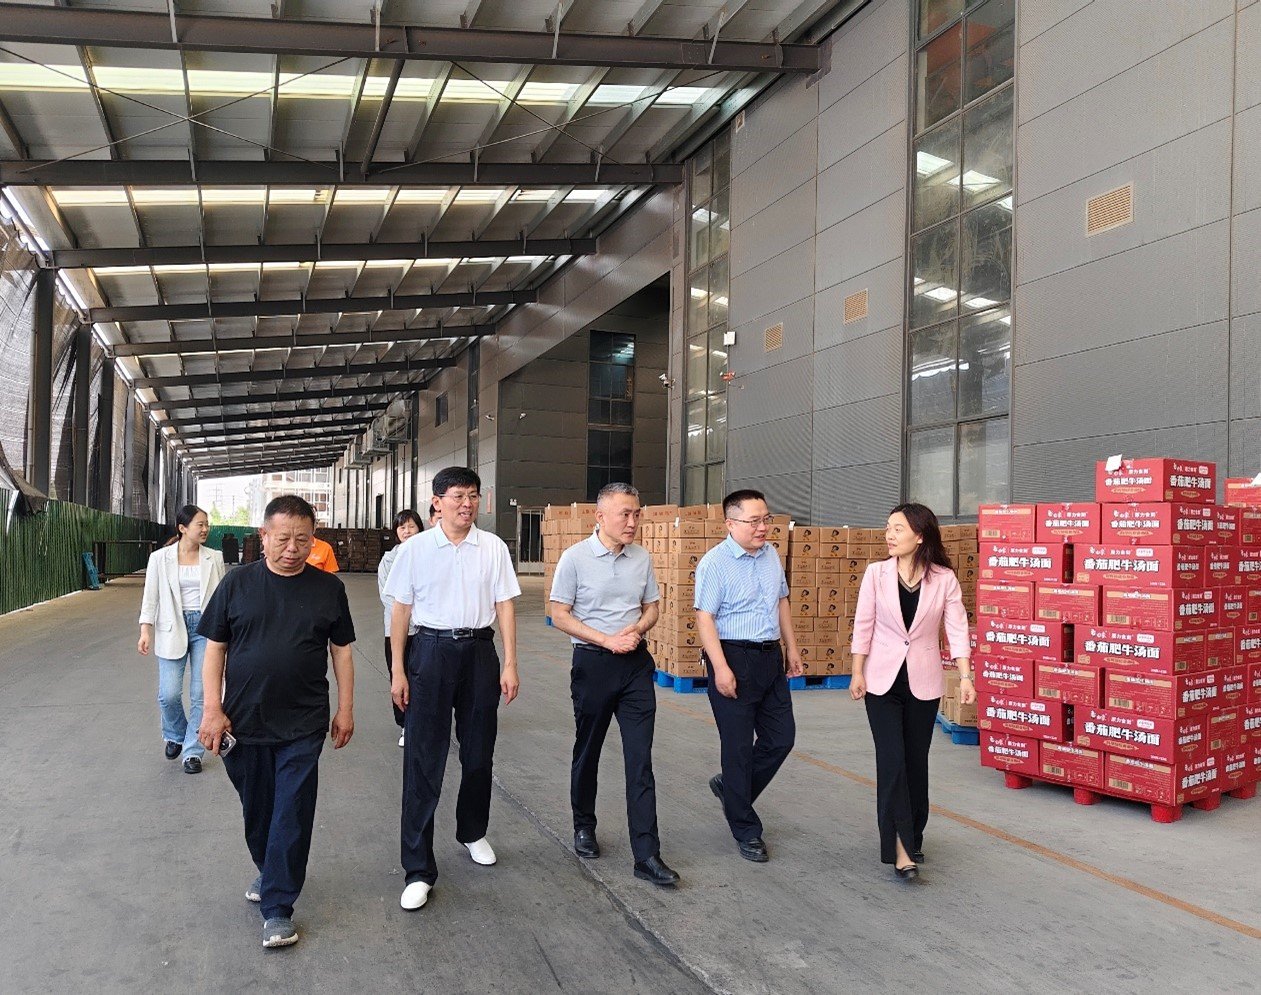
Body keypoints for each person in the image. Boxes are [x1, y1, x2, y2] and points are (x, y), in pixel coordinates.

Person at [197, 495, 356, 949]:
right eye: (283, 538)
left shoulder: (328, 589)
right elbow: (215, 649)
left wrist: (346, 708)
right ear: (263, 536)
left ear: (314, 540)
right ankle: (269, 870)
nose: (292, 549)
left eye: (303, 540)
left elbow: (342, 652)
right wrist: (212, 709)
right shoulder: (237, 584)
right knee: (258, 808)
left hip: (304, 722)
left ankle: (278, 908)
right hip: (243, 720)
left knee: (293, 809)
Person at [383, 466, 520, 912]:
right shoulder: (415, 549)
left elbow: (504, 605)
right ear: (437, 502)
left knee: (479, 752)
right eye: (458, 495)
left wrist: (510, 663)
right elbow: (401, 611)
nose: (467, 503)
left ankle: (472, 831)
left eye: (474, 495)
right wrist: (398, 670)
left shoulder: (493, 547)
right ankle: (418, 869)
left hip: (479, 652)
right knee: (424, 759)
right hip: (431, 652)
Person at [549, 482, 679, 887]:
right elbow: (559, 613)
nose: (633, 522)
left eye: (637, 513)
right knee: (588, 749)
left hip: (635, 665)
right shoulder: (575, 558)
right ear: (600, 516)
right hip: (594, 664)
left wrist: (637, 628)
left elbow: (652, 607)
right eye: (625, 514)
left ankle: (647, 854)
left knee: (640, 760)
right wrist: (606, 640)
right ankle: (583, 825)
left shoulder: (641, 557)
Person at [849, 503, 973, 881]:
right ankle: (900, 848)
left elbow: (957, 628)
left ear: (919, 536)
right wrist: (856, 671)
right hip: (881, 683)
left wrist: (965, 676)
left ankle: (914, 835)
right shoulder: (876, 574)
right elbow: (864, 624)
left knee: (915, 763)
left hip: (923, 682)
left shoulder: (944, 579)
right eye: (888, 528)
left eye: (898, 529)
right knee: (892, 761)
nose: (889, 535)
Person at [694, 489, 803, 863]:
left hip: (770, 657)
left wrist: (792, 647)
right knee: (738, 749)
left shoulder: (770, 554)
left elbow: (781, 600)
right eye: (753, 521)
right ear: (730, 523)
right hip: (733, 657)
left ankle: (732, 790)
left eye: (766, 519)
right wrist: (721, 667)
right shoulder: (715, 563)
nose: (762, 527)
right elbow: (705, 617)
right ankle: (746, 829)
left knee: (781, 738)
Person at [137, 505, 225, 774]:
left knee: (201, 694)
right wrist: (145, 630)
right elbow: (151, 596)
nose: (205, 529)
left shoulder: (214, 558)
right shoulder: (159, 558)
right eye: (200, 524)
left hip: (206, 629)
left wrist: (228, 633)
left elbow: (222, 599)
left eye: (207, 524)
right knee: (168, 694)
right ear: (183, 528)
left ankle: (192, 751)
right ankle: (175, 733)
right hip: (171, 627)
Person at [378, 509, 423, 746]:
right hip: (396, 631)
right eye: (402, 527)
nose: (407, 531)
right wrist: (411, 616)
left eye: (411, 526)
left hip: (425, 631)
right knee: (399, 677)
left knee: (424, 679)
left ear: (419, 529)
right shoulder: (388, 560)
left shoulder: (428, 556)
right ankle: (405, 725)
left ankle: (423, 723)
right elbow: (388, 597)